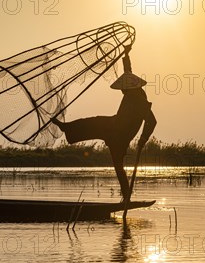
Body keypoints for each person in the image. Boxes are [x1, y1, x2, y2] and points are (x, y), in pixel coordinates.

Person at [52, 46, 156, 205]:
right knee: (94, 122)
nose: (122, 90)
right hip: (114, 126)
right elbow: (128, 70)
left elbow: (152, 121)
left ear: (129, 87)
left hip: (121, 134)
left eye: (123, 88)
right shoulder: (131, 91)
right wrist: (126, 54)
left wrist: (143, 139)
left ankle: (126, 198)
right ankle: (68, 128)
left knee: (118, 165)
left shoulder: (140, 100)